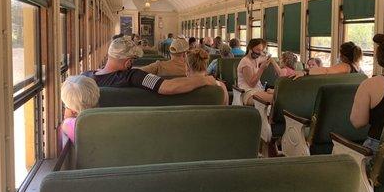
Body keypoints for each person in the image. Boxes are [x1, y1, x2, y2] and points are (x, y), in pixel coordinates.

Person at [82, 37, 216, 94]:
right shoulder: (134, 76)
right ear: (129, 61)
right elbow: (168, 87)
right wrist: (205, 79)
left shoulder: (85, 78)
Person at [60, 75, 100, 143]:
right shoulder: (103, 115)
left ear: (73, 111)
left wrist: (67, 118)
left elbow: (64, 125)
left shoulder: (69, 124)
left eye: (66, 106)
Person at [294, 42, 363, 78]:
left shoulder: (346, 66)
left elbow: (326, 71)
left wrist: (305, 71)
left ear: (343, 56)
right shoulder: (357, 67)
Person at [237, 38, 273, 105]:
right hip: (247, 93)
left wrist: (266, 53)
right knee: (273, 98)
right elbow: (252, 84)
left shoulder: (256, 59)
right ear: (250, 49)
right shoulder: (245, 62)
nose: (259, 53)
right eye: (257, 50)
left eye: (261, 50)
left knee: (276, 96)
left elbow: (267, 57)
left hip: (258, 90)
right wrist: (261, 69)